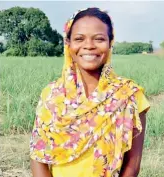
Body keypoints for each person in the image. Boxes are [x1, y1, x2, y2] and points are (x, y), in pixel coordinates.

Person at [30, 7, 150, 177]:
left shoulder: (129, 95)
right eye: (79, 38)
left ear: (110, 43)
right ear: (68, 43)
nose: (88, 46)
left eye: (99, 39)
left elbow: (133, 163)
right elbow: (38, 157)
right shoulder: (51, 95)